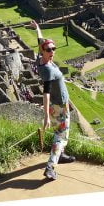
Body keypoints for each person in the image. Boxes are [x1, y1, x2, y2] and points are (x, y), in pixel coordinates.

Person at [31, 19, 76, 181]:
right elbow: (46, 93)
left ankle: (61, 154)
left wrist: (37, 28)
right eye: (49, 49)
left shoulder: (41, 59)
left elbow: (40, 41)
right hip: (57, 107)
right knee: (60, 136)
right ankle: (50, 166)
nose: (52, 51)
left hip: (62, 104)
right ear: (43, 51)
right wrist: (46, 117)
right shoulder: (48, 70)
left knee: (65, 132)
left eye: (53, 48)